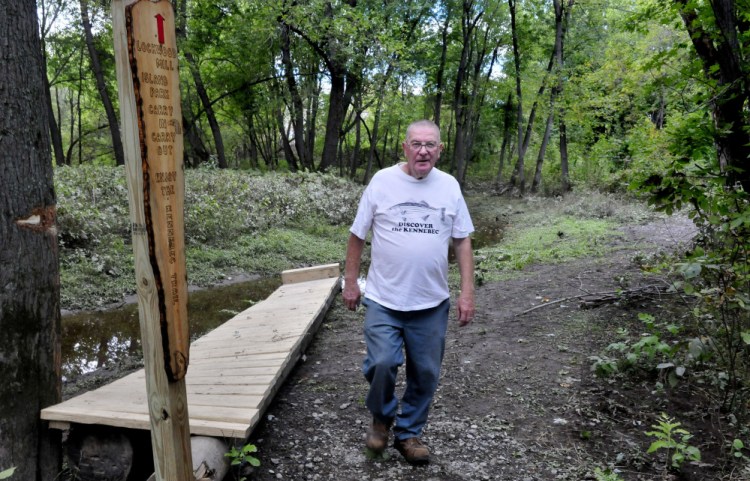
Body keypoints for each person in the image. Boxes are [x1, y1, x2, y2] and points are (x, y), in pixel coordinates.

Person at [342, 119, 475, 465]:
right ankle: (381, 417)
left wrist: (467, 292)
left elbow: (462, 240)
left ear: (440, 150)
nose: (423, 151)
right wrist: (351, 281)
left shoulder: (449, 186)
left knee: (426, 373)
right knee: (383, 363)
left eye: (430, 145)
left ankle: (408, 433)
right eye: (416, 144)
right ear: (404, 148)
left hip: (431, 302)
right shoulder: (383, 181)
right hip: (385, 299)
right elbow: (358, 234)